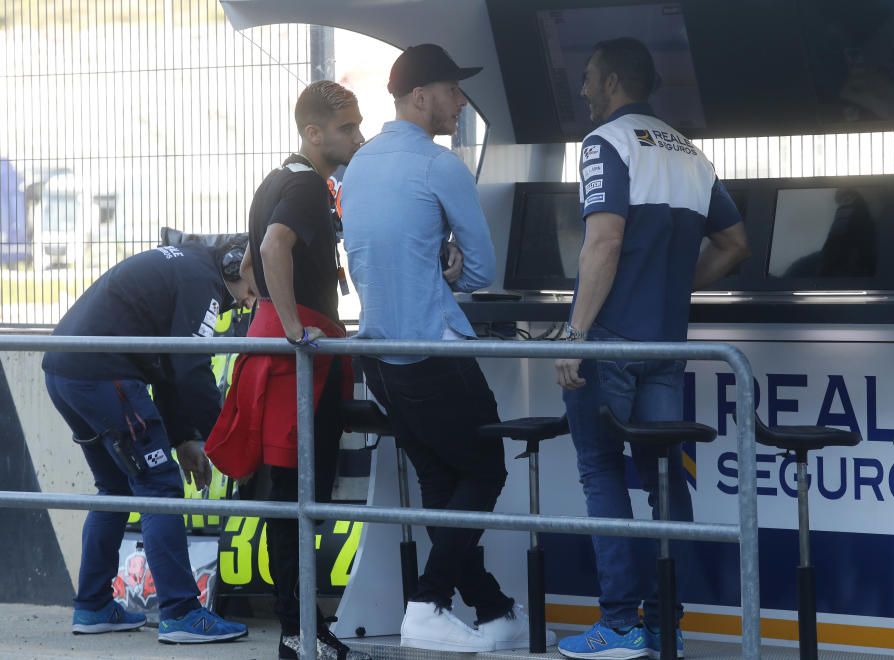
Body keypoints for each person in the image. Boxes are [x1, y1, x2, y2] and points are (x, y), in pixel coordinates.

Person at [341, 44, 552, 653]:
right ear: (418, 96)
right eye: (452, 90)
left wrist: (436, 265)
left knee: (440, 480)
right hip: (434, 351)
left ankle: (493, 610)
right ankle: (428, 603)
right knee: (484, 470)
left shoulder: (357, 166)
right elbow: (482, 269)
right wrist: (451, 273)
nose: (460, 102)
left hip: (377, 354)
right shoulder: (440, 167)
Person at [554, 38, 750, 660]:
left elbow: (603, 243)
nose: (582, 90)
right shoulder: (690, 154)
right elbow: (735, 244)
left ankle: (617, 625)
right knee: (667, 478)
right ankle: (666, 624)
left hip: (609, 341)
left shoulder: (603, 144)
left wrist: (574, 334)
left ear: (611, 81)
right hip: (666, 343)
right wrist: (670, 283)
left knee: (601, 469)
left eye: (586, 79)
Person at [41, 241, 256, 644]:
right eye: (254, 286)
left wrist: (185, 438)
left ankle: (92, 605)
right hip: (104, 374)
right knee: (160, 487)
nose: (250, 301)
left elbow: (170, 366)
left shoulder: (190, 267)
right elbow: (191, 368)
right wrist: (225, 438)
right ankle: (181, 612)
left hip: (64, 371)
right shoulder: (205, 282)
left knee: (115, 488)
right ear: (234, 265)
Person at [221, 80, 366, 660]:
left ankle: (300, 628)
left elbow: (254, 257)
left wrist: (275, 315)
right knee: (299, 496)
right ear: (313, 133)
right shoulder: (306, 186)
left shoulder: (276, 177)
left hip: (280, 354)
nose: (359, 136)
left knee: (290, 496)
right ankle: (297, 630)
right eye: (348, 128)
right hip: (297, 360)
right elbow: (275, 247)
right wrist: (292, 327)